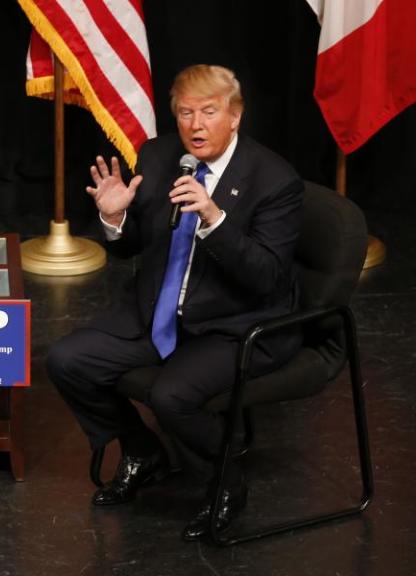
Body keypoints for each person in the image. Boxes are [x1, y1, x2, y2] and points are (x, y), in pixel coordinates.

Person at [46, 64, 303, 541]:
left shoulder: (274, 180)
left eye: (209, 112)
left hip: (237, 322)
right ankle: (143, 452)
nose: (195, 125)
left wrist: (214, 219)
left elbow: (266, 279)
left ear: (235, 116)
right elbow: (134, 246)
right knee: (67, 360)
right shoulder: (161, 155)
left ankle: (225, 482)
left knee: (171, 396)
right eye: (185, 113)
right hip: (161, 311)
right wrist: (115, 217)